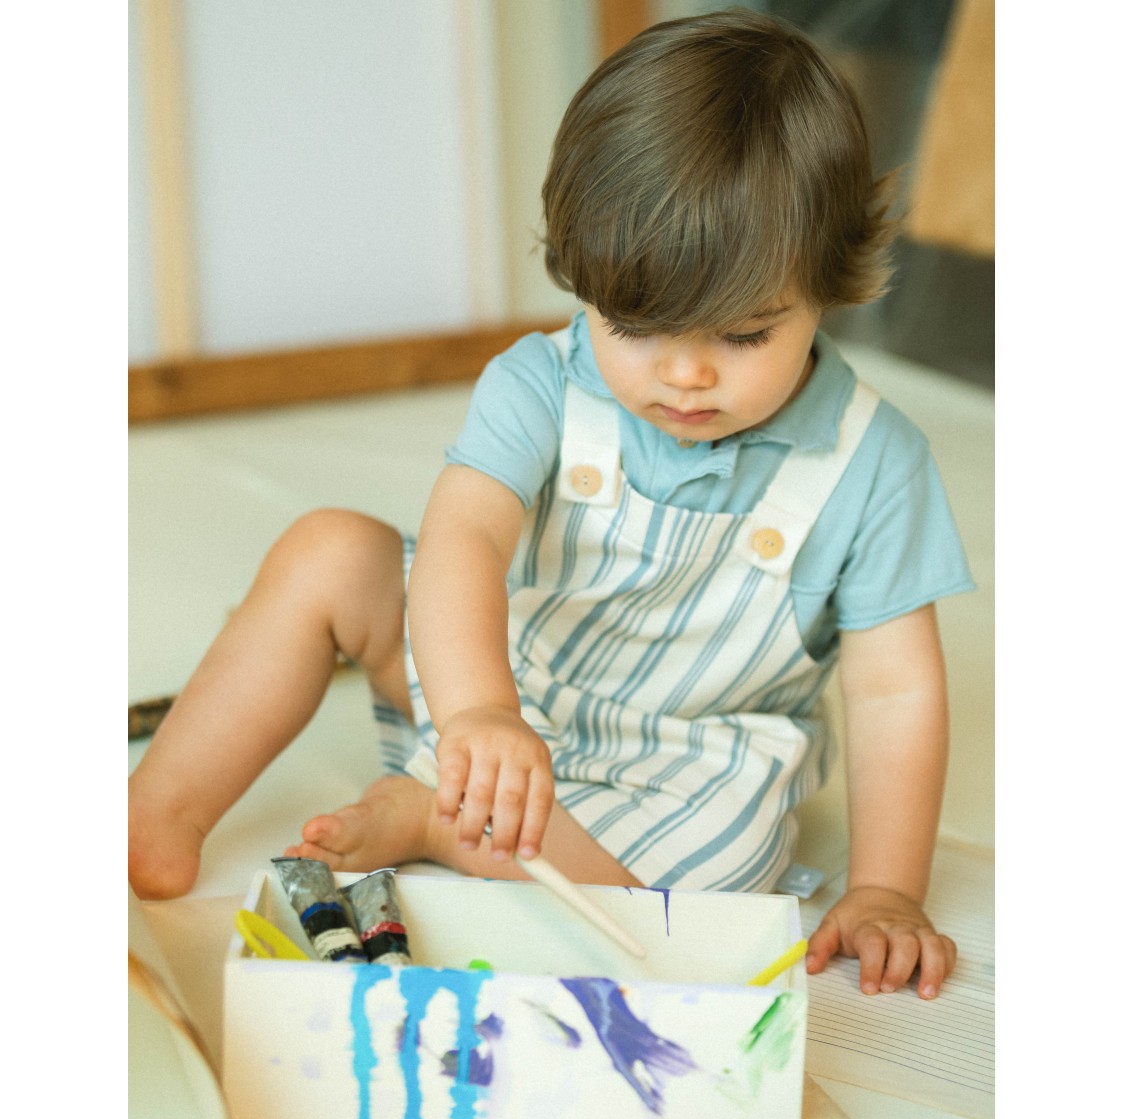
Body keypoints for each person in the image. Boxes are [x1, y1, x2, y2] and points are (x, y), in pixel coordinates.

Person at [129, 8, 974, 999]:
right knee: (331, 549)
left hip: (681, 751)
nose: (686, 374)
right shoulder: (543, 382)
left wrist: (885, 887)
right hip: (494, 669)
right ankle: (157, 809)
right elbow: (464, 540)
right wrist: (480, 708)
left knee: (721, 879)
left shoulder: (873, 464)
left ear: (831, 285)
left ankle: (438, 818)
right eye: (637, 326)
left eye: (743, 334)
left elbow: (892, 691)